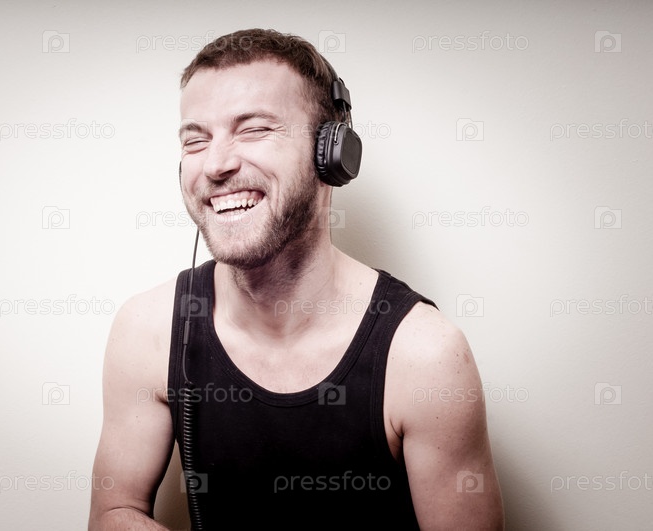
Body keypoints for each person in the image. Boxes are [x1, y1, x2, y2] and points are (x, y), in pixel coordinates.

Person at [89, 28, 504, 530]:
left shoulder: (426, 356)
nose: (216, 165)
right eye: (196, 140)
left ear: (332, 153)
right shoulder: (147, 330)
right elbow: (115, 512)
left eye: (253, 130)